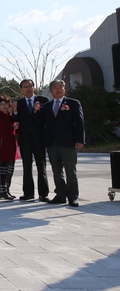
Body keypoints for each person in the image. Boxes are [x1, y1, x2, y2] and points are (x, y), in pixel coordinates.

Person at [39, 79, 85, 207]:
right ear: (50, 90)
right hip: (52, 143)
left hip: (68, 143)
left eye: (61, 87)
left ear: (64, 89)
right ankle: (60, 195)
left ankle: (72, 196)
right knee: (56, 170)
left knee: (70, 170)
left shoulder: (73, 103)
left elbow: (79, 122)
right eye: (55, 87)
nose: (58, 89)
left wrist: (80, 140)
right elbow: (43, 124)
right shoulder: (47, 106)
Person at [15, 79, 50, 202]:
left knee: (41, 166)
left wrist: (36, 111)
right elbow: (16, 119)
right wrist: (14, 112)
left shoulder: (43, 101)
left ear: (34, 87)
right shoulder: (18, 103)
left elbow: (46, 119)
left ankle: (43, 193)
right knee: (26, 166)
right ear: (21, 90)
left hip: (39, 138)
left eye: (30, 86)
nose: (28, 89)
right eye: (25, 87)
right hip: (25, 139)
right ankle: (28, 193)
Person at [0, 95, 19, 200]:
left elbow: (17, 130)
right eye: (1, 104)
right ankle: (2, 191)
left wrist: (18, 127)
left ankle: (7, 190)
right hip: (2, 145)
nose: (4, 106)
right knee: (3, 169)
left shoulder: (12, 117)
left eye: (6, 104)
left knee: (10, 170)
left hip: (12, 145)